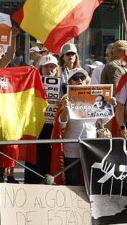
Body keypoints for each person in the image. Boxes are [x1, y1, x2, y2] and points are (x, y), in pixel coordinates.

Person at [57, 68, 96, 186]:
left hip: (91, 143)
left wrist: (110, 106)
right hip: (72, 144)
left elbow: (104, 120)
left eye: (82, 78)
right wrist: (65, 109)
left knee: (89, 181)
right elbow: (61, 123)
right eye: (75, 78)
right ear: (69, 82)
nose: (79, 80)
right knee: (72, 180)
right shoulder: (66, 98)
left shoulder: (95, 96)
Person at [24, 54, 60, 184]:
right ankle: (31, 183)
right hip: (36, 124)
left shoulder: (64, 86)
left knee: (49, 155)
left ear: (57, 69)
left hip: (53, 126)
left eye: (52, 67)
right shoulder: (32, 84)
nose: (49, 70)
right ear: (41, 69)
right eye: (46, 67)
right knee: (34, 153)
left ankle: (48, 182)